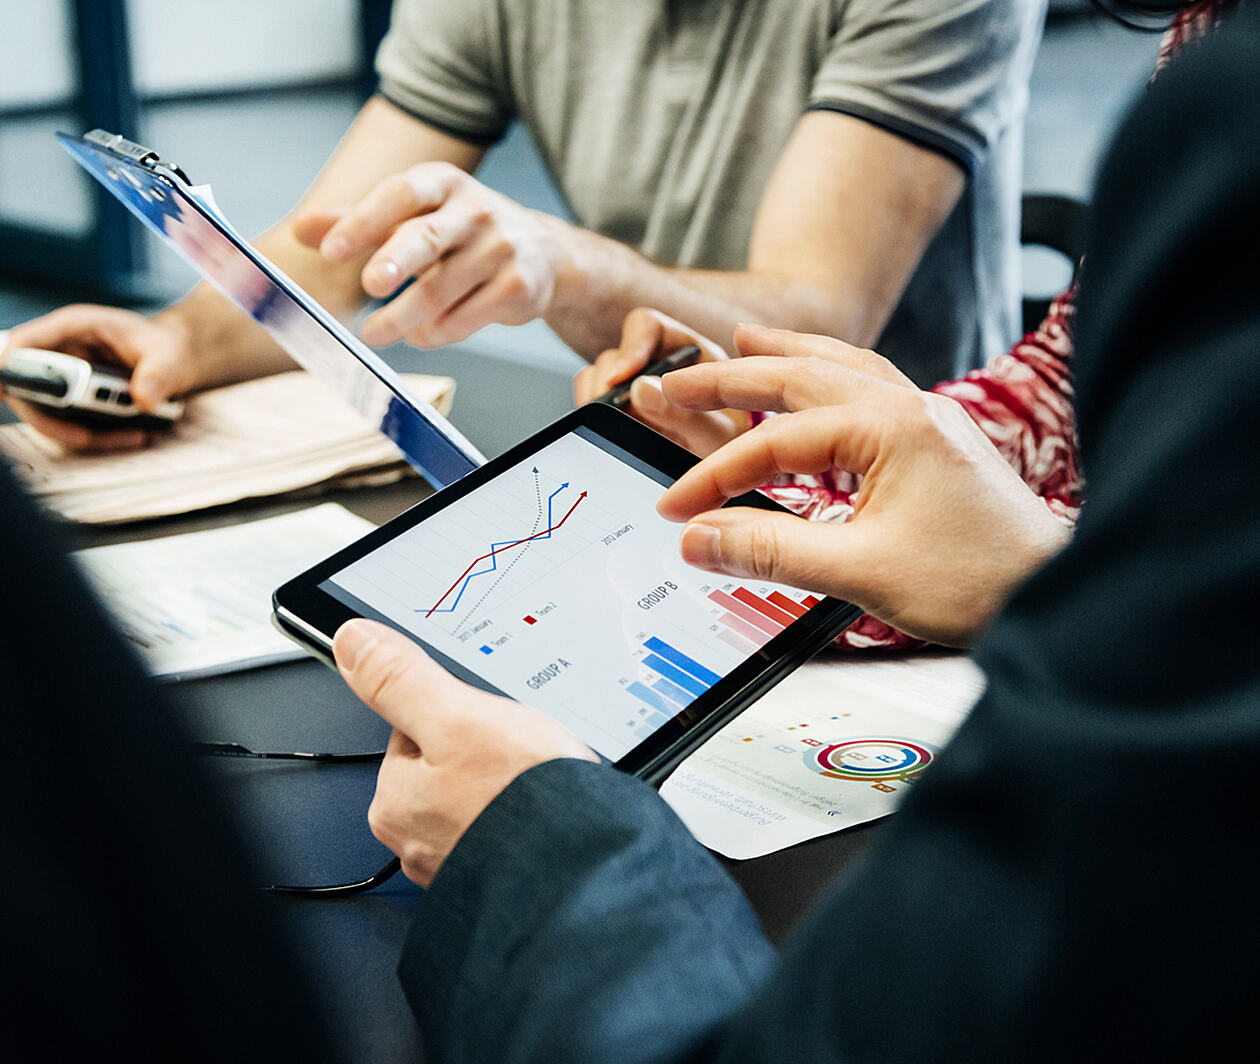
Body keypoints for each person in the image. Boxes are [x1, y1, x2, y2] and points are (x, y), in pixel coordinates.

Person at [326, 1, 1260, 1060]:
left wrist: (539, 849)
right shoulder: (1214, 36)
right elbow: (1070, 380)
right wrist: (823, 456)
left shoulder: (1231, 108)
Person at [0, 0, 1044, 451]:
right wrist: (178, 340)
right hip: (644, 450)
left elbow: (822, 314)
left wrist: (569, 268)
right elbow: (343, 238)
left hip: (888, 493)